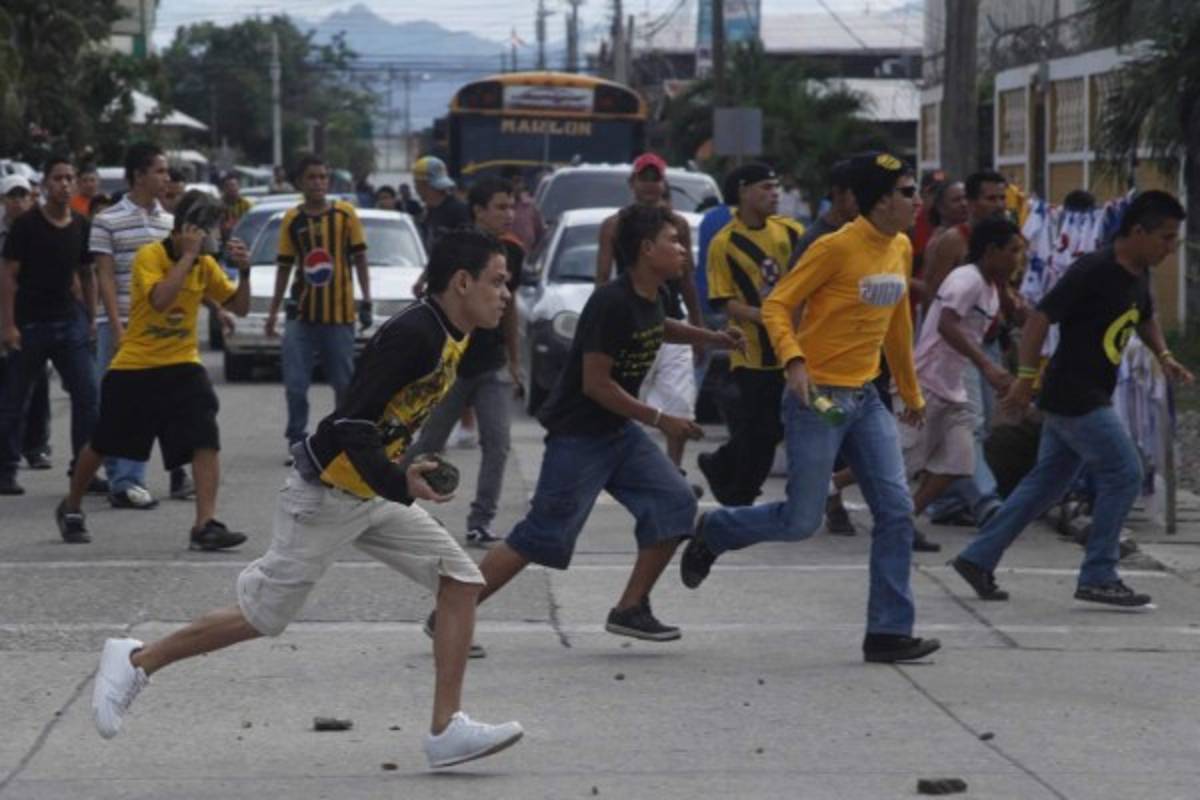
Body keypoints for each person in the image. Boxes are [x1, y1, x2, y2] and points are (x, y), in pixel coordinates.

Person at [89, 229, 525, 769]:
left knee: (461, 583)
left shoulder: (452, 333)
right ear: (463, 282)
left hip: (369, 491)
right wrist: (396, 480)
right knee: (261, 617)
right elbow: (350, 421)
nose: (506, 293)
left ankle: (445, 729)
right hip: (326, 494)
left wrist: (401, 469)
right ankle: (135, 660)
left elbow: (381, 423)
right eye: (498, 281)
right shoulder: (416, 334)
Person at [426, 204, 744, 652]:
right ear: (646, 249)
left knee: (674, 502)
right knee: (542, 534)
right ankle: (449, 615)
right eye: (673, 242)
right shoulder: (609, 303)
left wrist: (710, 338)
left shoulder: (654, 296)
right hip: (581, 435)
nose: (682, 251)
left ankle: (630, 608)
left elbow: (656, 327)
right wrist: (660, 419)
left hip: (618, 433)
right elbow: (597, 385)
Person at [681, 152, 943, 664]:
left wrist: (909, 393)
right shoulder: (834, 248)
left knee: (896, 512)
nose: (917, 201)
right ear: (881, 200)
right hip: (817, 398)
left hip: (867, 400)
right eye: (908, 192)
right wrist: (794, 361)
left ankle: (888, 633)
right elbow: (778, 304)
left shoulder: (902, 247)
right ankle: (715, 530)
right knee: (800, 521)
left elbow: (896, 325)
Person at [951, 190, 1193, 606]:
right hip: (1074, 394)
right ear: (1137, 231)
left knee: (1045, 484)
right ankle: (1099, 573)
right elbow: (1041, 318)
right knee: (1124, 472)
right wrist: (1025, 378)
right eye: (1165, 238)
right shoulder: (1094, 269)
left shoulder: (1138, 272)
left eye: (1175, 239)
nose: (1170, 249)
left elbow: (1145, 315)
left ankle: (978, 556)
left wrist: (1165, 355)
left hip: (1089, 391)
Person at [57, 191, 253, 549]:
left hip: (182, 364)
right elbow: (161, 301)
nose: (213, 239)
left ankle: (205, 524)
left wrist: (244, 271)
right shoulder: (151, 255)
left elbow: (239, 307)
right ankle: (71, 506)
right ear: (185, 230)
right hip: (137, 365)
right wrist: (189, 256)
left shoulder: (205, 266)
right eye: (206, 230)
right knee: (104, 442)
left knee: (205, 435)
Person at [407, 178, 524, 548]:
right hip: (451, 363)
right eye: (500, 207)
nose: (508, 215)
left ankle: (480, 521)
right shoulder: (455, 247)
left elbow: (510, 305)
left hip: (491, 364)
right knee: (430, 442)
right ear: (478, 211)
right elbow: (424, 290)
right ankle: (386, 498)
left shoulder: (512, 251)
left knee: (498, 443)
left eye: (512, 207)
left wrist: (515, 359)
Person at [901, 217, 1023, 533]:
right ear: (992, 250)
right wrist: (986, 366)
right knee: (904, 459)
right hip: (928, 380)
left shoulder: (991, 288)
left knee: (958, 462)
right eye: (1012, 251)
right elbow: (946, 323)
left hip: (951, 385)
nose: (1016, 259)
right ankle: (834, 487)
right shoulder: (965, 280)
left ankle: (902, 520)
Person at [697, 162, 804, 507]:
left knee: (769, 430)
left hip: (791, 347)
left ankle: (725, 473)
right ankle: (736, 490)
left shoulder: (790, 232)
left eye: (775, 187)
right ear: (743, 192)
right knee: (764, 429)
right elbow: (722, 301)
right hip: (751, 351)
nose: (773, 194)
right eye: (764, 188)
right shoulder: (724, 243)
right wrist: (761, 315)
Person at [92, 143, 190, 509]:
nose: (166, 178)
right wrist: (116, 327)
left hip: (161, 330)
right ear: (138, 175)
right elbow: (103, 277)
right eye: (160, 171)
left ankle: (131, 478)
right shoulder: (107, 220)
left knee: (156, 405)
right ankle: (124, 480)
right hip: (120, 323)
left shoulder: (168, 224)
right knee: (119, 404)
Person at [596, 153, 705, 482]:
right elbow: (602, 277)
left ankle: (672, 473)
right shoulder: (615, 226)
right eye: (643, 178)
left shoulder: (678, 226)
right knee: (624, 403)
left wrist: (698, 329)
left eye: (655, 178)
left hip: (670, 322)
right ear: (632, 184)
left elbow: (687, 279)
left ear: (663, 184)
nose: (649, 185)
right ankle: (620, 468)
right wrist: (601, 323)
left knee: (679, 406)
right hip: (629, 325)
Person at [0, 158, 98, 496]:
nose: (66, 184)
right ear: (45, 184)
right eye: (59, 178)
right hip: (30, 325)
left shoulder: (81, 225)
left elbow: (87, 274)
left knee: (87, 396)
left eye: (71, 178)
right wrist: (9, 325)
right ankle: (7, 469)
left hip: (70, 322)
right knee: (15, 400)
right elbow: (9, 276)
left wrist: (91, 318)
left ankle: (82, 469)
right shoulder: (26, 226)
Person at [265, 155, 371, 453]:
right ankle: (297, 439)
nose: (318, 183)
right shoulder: (293, 219)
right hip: (301, 313)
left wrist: (366, 299)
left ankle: (341, 437)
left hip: (339, 314)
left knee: (343, 384)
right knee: (296, 383)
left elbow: (360, 259)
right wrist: (273, 313)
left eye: (323, 177)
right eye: (312, 177)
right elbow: (284, 267)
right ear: (300, 182)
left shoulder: (345, 215)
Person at [786, 159, 861, 536]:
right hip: (820, 368)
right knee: (828, 441)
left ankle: (895, 517)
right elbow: (791, 301)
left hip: (859, 365)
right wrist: (796, 359)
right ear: (840, 195)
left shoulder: (865, 238)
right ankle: (830, 502)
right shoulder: (817, 241)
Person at [0, 175, 52, 472]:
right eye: (12, 196)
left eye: (23, 195)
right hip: (4, 314)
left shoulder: (41, 229)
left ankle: (36, 446)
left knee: (38, 384)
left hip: (35, 315)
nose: (18, 201)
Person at [413, 156, 470, 251]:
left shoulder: (459, 211)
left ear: (424, 184)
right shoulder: (427, 213)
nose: (416, 187)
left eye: (416, 183)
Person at [502, 166, 545, 251]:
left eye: (519, 181)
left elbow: (540, 236)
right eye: (514, 181)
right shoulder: (497, 206)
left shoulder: (529, 206)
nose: (518, 185)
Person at [218, 172, 252, 246]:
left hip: (243, 241)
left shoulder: (246, 205)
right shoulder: (218, 205)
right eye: (228, 186)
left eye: (233, 185)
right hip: (224, 243)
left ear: (238, 187)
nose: (231, 188)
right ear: (224, 188)